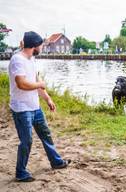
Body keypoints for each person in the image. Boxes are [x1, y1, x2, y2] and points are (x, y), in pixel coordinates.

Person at [8, 31, 70, 182]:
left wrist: (48, 98)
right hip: (22, 109)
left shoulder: (31, 59)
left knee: (45, 134)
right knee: (27, 140)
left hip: (35, 107)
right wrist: (40, 84)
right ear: (34, 46)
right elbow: (21, 83)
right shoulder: (18, 60)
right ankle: (20, 172)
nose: (42, 47)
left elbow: (35, 83)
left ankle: (56, 162)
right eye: (41, 45)